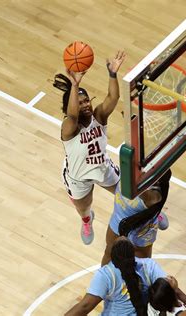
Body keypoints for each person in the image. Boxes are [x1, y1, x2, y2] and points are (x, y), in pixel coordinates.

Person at [53, 50, 126, 245]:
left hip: (103, 169)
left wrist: (112, 74)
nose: (85, 105)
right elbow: (73, 115)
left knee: (129, 193)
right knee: (83, 209)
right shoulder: (69, 128)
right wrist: (75, 85)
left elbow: (113, 97)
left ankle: (149, 211)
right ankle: (87, 221)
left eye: (87, 101)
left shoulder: (99, 117)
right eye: (80, 102)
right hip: (78, 177)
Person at [65, 237, 165, 316]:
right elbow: (171, 289)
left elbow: (84, 307)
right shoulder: (149, 266)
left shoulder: (106, 274)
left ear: (112, 258)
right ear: (133, 253)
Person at [101, 169, 172, 266]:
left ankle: (155, 213)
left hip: (139, 229)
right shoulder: (154, 195)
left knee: (141, 265)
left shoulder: (152, 196)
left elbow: (132, 186)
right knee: (109, 253)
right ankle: (155, 213)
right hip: (123, 221)